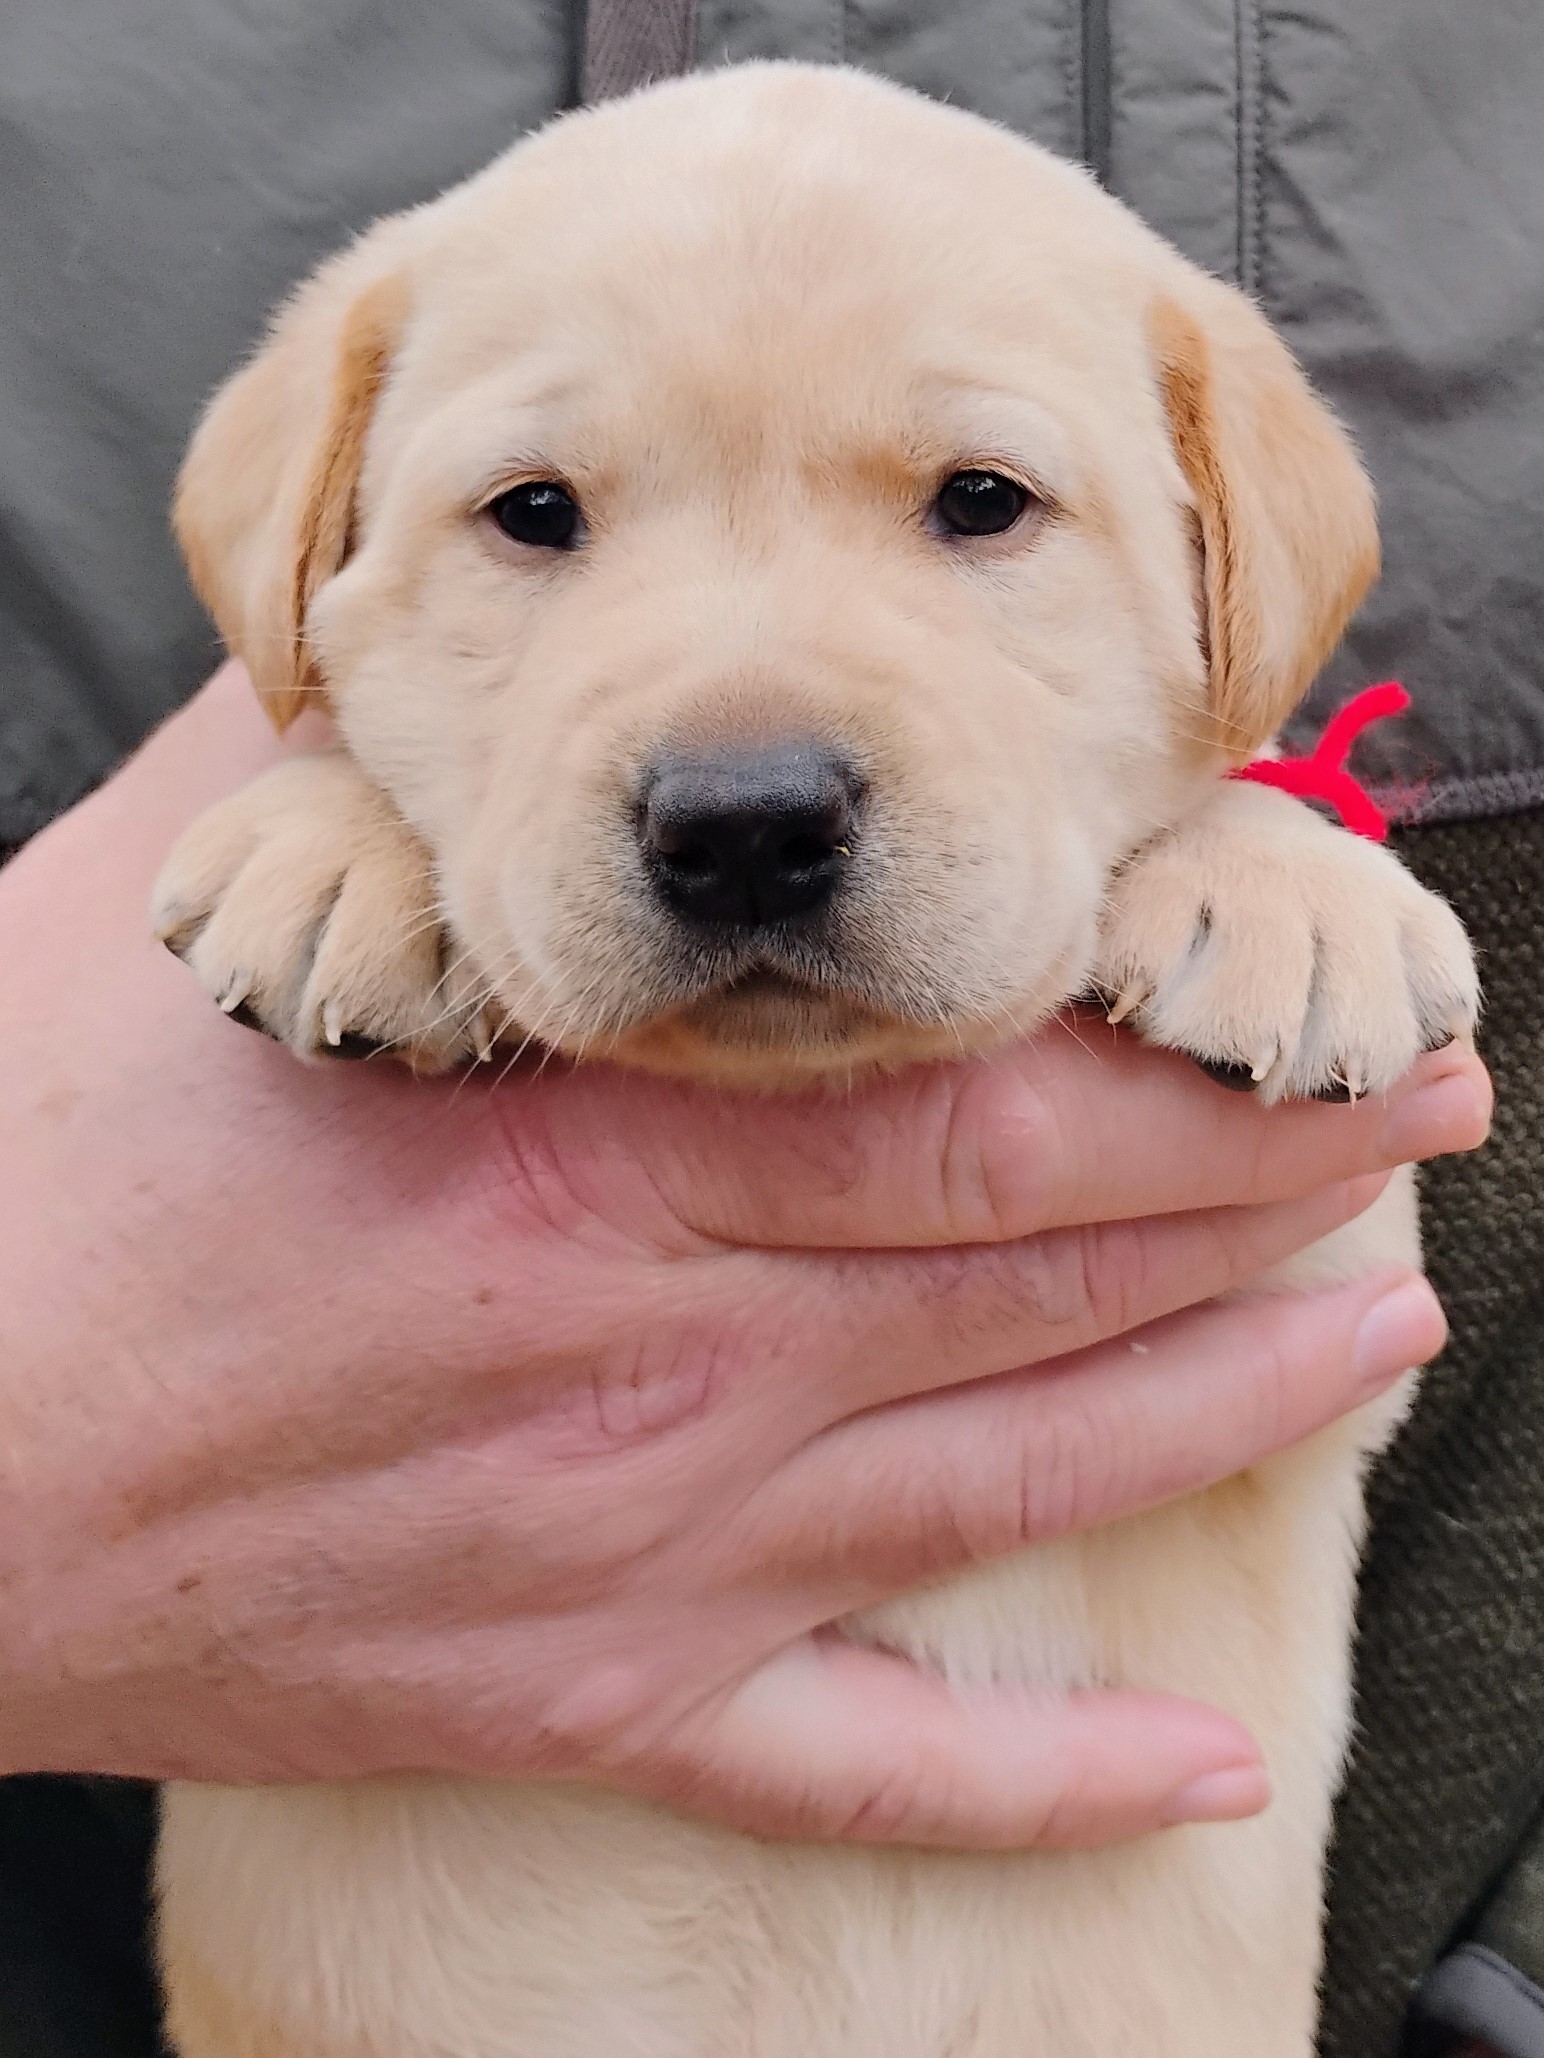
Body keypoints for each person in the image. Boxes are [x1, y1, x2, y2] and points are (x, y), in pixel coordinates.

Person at [0, 6, 1537, 2056]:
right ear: (306, 569)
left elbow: (1332, 1327)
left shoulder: (1251, 928)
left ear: (1226, 559)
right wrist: (361, 829)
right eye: (536, 515)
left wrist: (1254, 855)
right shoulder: (342, 865)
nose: (744, 771)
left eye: (976, 498)